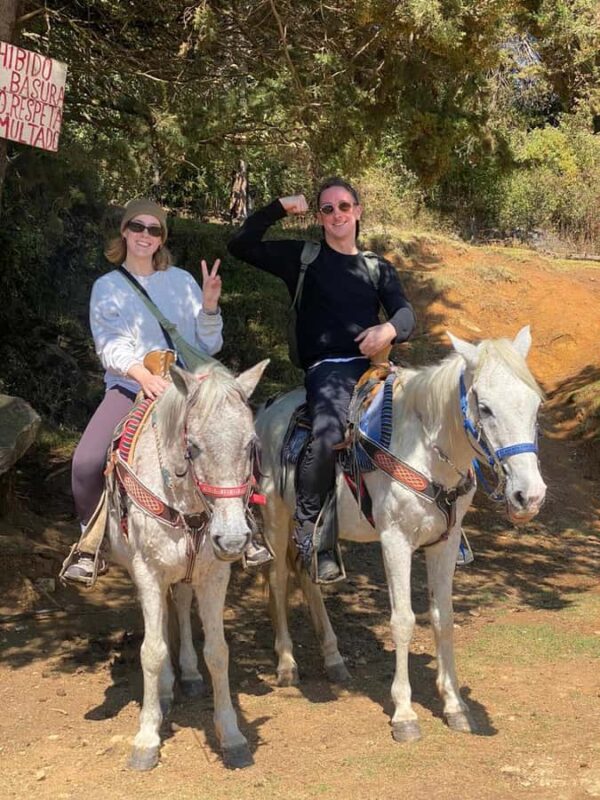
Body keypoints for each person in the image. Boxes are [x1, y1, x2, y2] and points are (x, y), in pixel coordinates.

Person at [64, 198, 268, 585]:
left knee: (239, 442)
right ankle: (91, 545)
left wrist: (209, 308)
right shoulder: (107, 287)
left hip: (190, 388)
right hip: (131, 388)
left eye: (153, 229)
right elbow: (109, 344)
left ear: (162, 238)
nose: (145, 235)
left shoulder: (182, 281)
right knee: (87, 462)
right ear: (124, 232)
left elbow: (207, 346)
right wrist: (142, 375)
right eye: (137, 227)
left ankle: (248, 527)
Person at [228, 177, 417, 582]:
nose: (336, 215)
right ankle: (312, 535)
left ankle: (442, 517)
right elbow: (240, 245)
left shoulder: (376, 266)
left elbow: (405, 313)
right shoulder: (304, 259)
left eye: (344, 207)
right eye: (327, 209)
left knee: (427, 415)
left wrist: (389, 331)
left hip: (377, 368)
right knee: (328, 435)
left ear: (358, 211)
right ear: (319, 217)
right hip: (328, 369)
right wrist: (278, 206)